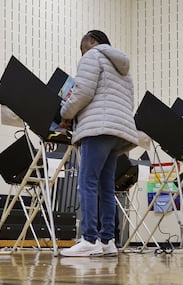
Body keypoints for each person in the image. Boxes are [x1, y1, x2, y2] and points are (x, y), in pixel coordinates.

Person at [59, 30, 139, 257]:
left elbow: (83, 92)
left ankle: (89, 239)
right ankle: (108, 241)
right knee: (106, 186)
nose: (82, 53)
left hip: (98, 128)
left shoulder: (92, 56)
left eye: (82, 47)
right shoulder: (124, 70)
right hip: (118, 132)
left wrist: (66, 113)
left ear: (93, 42)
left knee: (87, 182)